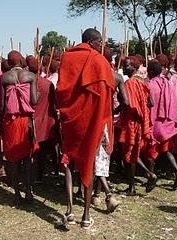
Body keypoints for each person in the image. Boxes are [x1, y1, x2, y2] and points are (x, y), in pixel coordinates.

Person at [57, 28, 115, 228]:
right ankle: (86, 216)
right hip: (92, 122)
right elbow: (106, 95)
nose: (101, 46)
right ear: (91, 41)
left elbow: (61, 91)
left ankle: (70, 210)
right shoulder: (99, 61)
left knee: (68, 163)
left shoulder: (66, 58)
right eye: (99, 42)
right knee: (88, 162)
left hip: (70, 120)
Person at [91, 46, 129, 212]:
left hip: (94, 119)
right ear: (112, 61)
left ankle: (107, 194)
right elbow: (126, 102)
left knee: (95, 157)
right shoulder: (117, 77)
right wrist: (114, 111)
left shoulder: (94, 74)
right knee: (103, 156)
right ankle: (96, 195)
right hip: (108, 120)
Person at [0, 50, 37, 204]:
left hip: (10, 121)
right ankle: (28, 191)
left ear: (9, 62)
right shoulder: (30, 76)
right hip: (26, 120)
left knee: (12, 159)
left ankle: (16, 194)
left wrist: (0, 124)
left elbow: (1, 105)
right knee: (27, 158)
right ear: (21, 61)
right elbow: (34, 100)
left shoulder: (4, 77)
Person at [119, 56, 157, 195]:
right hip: (141, 122)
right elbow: (151, 102)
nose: (123, 68)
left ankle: (145, 178)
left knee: (129, 153)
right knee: (134, 153)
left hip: (132, 122)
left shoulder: (130, 83)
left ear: (134, 67)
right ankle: (133, 186)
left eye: (126, 66)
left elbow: (128, 104)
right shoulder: (144, 81)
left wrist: (116, 110)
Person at [146, 60, 177, 188]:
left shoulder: (150, 85)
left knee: (150, 152)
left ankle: (151, 176)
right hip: (166, 124)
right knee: (167, 151)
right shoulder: (167, 83)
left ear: (150, 71)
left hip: (155, 124)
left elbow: (149, 106)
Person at [26, 55, 58, 181]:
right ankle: (40, 175)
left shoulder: (25, 84)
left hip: (33, 121)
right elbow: (54, 103)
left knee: (32, 152)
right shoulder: (48, 84)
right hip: (46, 122)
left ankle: (34, 176)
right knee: (43, 152)